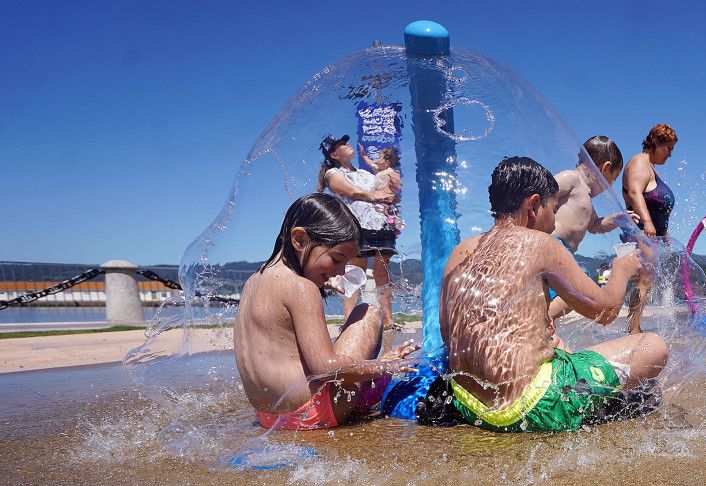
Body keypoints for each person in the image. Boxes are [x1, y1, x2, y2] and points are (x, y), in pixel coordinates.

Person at [441, 157, 668, 432]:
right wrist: (623, 269)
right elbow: (605, 311)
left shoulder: (461, 250)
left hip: (468, 402)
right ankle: (589, 403)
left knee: (554, 340)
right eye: (554, 208)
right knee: (653, 347)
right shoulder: (541, 243)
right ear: (534, 205)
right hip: (532, 407)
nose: (554, 222)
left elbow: (448, 331)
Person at [233, 194, 418, 431]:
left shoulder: (254, 280)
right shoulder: (301, 288)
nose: (340, 271)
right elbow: (326, 368)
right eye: (336, 259)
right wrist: (383, 366)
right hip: (311, 414)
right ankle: (371, 390)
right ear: (299, 239)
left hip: (268, 416)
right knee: (368, 312)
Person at [317, 134, 401, 348]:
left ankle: (388, 319)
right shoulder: (333, 173)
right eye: (342, 144)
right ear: (334, 154)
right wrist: (378, 196)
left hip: (380, 224)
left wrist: (392, 190)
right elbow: (351, 191)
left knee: (383, 271)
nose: (348, 145)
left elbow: (384, 190)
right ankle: (348, 319)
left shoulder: (364, 172)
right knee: (355, 272)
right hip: (356, 226)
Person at [547, 136, 638, 319]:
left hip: (566, 253)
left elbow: (595, 226)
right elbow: (544, 193)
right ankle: (544, 318)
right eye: (612, 179)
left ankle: (545, 318)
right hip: (552, 244)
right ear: (604, 168)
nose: (609, 186)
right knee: (580, 285)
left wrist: (617, 219)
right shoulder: (571, 178)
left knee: (577, 287)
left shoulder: (588, 199)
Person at [622, 123, 678, 334]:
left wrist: (664, 232)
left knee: (646, 280)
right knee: (644, 280)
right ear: (656, 143)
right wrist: (648, 223)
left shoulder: (649, 167)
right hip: (639, 232)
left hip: (649, 234)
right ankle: (633, 329)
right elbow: (635, 194)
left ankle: (634, 326)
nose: (670, 155)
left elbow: (653, 203)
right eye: (668, 148)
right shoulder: (639, 163)